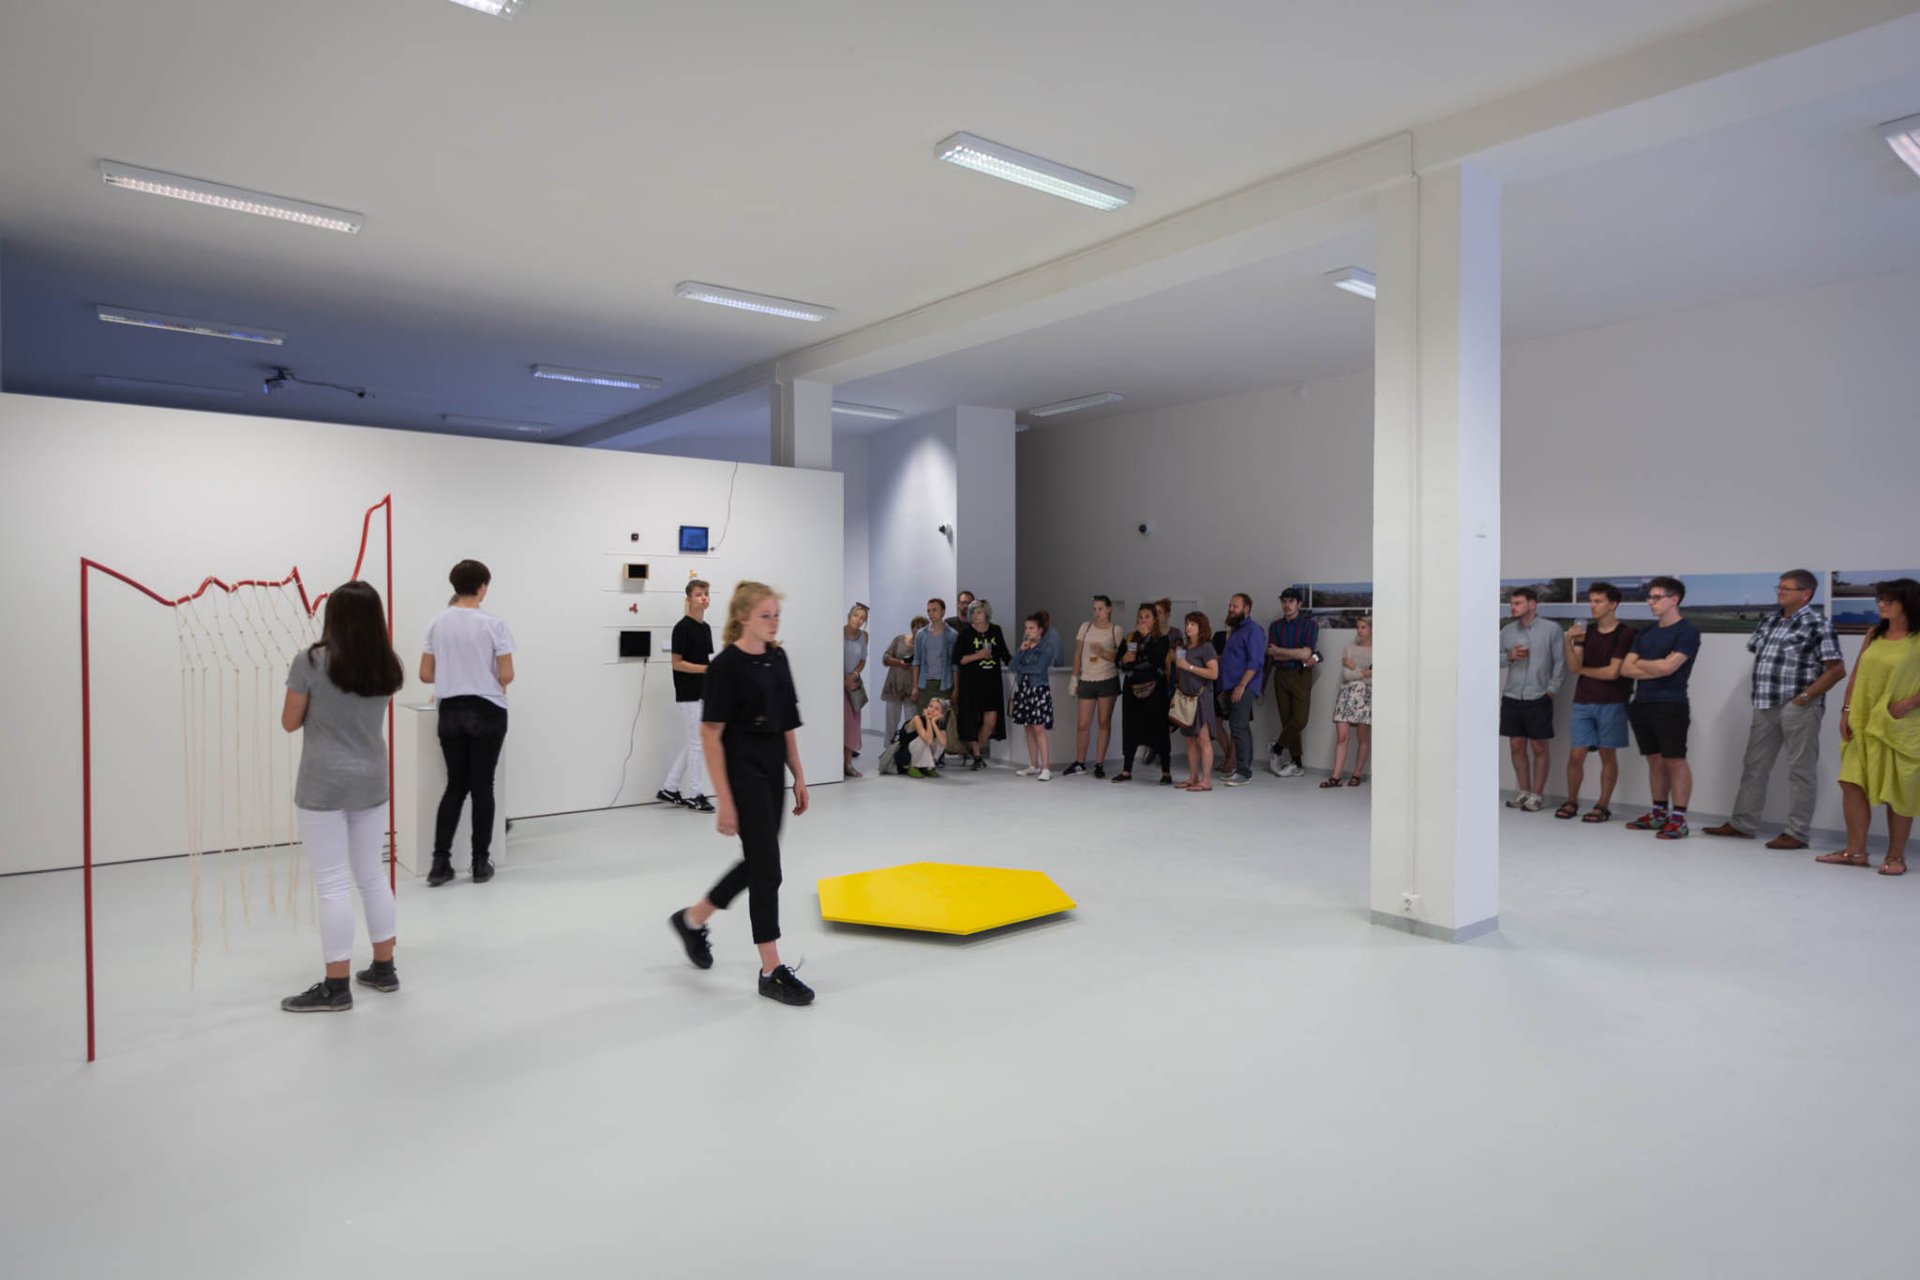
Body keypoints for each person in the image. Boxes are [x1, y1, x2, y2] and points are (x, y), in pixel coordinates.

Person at [667, 582, 814, 1007]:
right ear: (743, 617)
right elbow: (710, 734)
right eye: (766, 615)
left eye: (777, 615)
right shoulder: (725, 666)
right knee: (767, 869)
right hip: (742, 768)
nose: (774, 622)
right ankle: (771, 969)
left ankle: (692, 919)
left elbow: (786, 720)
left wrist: (799, 774)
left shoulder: (777, 657)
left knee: (759, 862)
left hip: (772, 767)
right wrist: (725, 800)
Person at [278, 581, 405, 1012]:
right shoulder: (386, 663)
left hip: (324, 782)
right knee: (372, 875)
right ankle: (384, 969)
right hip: (371, 779)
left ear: (333, 616)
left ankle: (336, 986)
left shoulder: (311, 660)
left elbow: (289, 722)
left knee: (332, 882)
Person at [1703, 570, 1846, 849]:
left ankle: (1797, 833)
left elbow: (1836, 670)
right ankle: (1743, 824)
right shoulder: (1770, 620)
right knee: (1754, 767)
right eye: (1779, 587)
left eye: (1786, 589)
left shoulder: (1818, 624)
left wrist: (1803, 698)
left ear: (1805, 594)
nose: (1780, 592)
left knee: (1801, 771)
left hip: (1799, 708)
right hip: (1765, 704)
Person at [420, 558, 515, 884]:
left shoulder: (437, 623)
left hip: (450, 711)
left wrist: (454, 674)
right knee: (482, 787)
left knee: (455, 786)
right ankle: (479, 863)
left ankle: (439, 863)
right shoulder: (494, 624)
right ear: (482, 587)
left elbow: (425, 673)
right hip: (487, 709)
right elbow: (507, 674)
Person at [1817, 579, 1920, 875]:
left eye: (1888, 600)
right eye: (1880, 599)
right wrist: (1846, 710)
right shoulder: (1874, 633)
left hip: (1900, 724)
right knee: (1851, 783)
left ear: (1908, 603)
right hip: (1863, 720)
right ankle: (1855, 851)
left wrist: (1908, 704)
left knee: (1898, 790)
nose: (1881, 605)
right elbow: (1857, 673)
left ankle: (1896, 856)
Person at [1622, 577, 1703, 840]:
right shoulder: (1645, 633)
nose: (1651, 602)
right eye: (1649, 597)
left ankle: (1678, 819)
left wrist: (1644, 664)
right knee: (1654, 760)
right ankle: (1658, 814)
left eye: (1657, 597)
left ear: (1674, 599)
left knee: (1674, 760)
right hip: (1642, 703)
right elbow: (1626, 668)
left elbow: (1669, 668)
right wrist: (1656, 665)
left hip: (1671, 704)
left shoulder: (1687, 632)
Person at [1558, 582, 1635, 822]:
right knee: (1576, 755)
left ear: (1613, 604)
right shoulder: (1586, 632)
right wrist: (1568, 642)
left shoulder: (1625, 633)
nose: (1593, 606)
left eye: (1598, 601)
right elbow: (1574, 666)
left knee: (1607, 755)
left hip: (1612, 702)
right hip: (1583, 700)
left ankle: (1603, 805)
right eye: (1591, 601)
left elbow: (1613, 672)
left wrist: (1583, 670)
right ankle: (1571, 800)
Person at [1500, 586, 1567, 813]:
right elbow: (1494, 658)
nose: (1513, 607)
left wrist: (1551, 690)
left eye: (1517, 603)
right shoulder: (1507, 631)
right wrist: (1509, 656)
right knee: (1516, 745)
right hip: (1512, 695)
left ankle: (1536, 796)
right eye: (1511, 603)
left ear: (1532, 604)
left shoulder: (1551, 629)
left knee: (1539, 746)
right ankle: (1523, 792)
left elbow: (1559, 662)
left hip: (1538, 695)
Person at [658, 579, 715, 812]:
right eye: (699, 594)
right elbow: (677, 663)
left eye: (706, 593)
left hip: (703, 692)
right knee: (697, 743)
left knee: (694, 742)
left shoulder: (706, 628)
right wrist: (705, 669)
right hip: (688, 693)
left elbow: (706, 661)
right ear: (689, 599)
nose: (704, 597)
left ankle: (669, 788)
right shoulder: (682, 628)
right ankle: (695, 794)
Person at [1114, 604, 1173, 785]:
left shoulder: (1161, 639)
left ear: (1154, 619)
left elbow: (1157, 658)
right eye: (1140, 616)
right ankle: (1126, 770)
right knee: (1130, 729)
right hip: (1132, 691)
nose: (1143, 620)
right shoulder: (1130, 638)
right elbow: (1118, 661)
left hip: (1155, 692)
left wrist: (1147, 636)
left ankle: (1166, 772)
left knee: (1159, 729)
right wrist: (1123, 659)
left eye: (1147, 616)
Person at [1066, 595, 1123, 777]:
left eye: (1100, 609)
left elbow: (1121, 658)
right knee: (1083, 724)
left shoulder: (1115, 630)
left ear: (1109, 609)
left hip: (1107, 679)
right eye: (1094, 609)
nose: (1097, 613)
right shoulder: (1086, 627)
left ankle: (1099, 764)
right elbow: (1077, 653)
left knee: (1104, 722)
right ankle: (1080, 762)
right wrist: (1074, 678)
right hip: (1087, 678)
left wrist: (1103, 652)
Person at [1265, 589, 1319, 777]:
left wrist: (1280, 650)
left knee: (1300, 720)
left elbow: (1306, 653)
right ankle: (1297, 762)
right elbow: (1272, 654)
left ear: (1299, 604)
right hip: (1280, 675)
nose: (1287, 605)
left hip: (1300, 674)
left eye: (1291, 601)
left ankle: (1277, 748)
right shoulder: (1275, 626)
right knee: (1287, 719)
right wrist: (1295, 652)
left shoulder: (1310, 625)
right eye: (1284, 601)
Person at [954, 599, 1011, 770]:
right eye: (972, 613)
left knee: (991, 721)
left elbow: (1005, 654)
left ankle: (973, 749)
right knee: (971, 719)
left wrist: (1022, 662)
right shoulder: (966, 633)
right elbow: (958, 659)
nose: (975, 616)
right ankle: (978, 755)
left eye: (978, 612)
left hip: (991, 682)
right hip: (971, 683)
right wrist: (978, 656)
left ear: (987, 614)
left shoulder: (995, 631)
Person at [1217, 593, 1266, 787]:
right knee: (1238, 727)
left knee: (1239, 727)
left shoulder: (1254, 630)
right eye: (1230, 605)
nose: (1231, 609)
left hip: (1243, 687)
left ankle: (1244, 772)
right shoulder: (1236, 631)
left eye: (1235, 606)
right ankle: (1240, 769)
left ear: (1247, 609)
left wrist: (1241, 686)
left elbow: (1255, 663)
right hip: (1231, 686)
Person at [1321, 615, 1373, 788]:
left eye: (1363, 627)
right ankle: (1335, 777)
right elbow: (1347, 675)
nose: (1359, 630)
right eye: (1358, 627)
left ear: (1371, 629)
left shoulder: (1377, 651)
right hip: (1346, 695)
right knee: (1342, 737)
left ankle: (1356, 774)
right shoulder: (1349, 649)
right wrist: (1364, 672)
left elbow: (1373, 679)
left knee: (1362, 738)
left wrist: (1354, 667)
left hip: (1365, 696)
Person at [1009, 611, 1059, 781]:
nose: (1028, 631)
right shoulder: (1025, 647)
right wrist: (1021, 652)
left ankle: (1046, 767)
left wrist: (1021, 668)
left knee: (1038, 728)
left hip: (1038, 689)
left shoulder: (1046, 647)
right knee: (1028, 727)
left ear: (1040, 630)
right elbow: (1012, 665)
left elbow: (1038, 669)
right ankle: (1033, 764)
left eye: (1031, 628)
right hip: (1024, 689)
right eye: (1026, 628)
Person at [1173, 612, 1219, 791]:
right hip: (1186, 698)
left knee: (1203, 738)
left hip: (1202, 699)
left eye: (1192, 624)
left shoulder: (1206, 647)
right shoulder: (1184, 648)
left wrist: (1189, 666)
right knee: (1190, 740)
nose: (1188, 627)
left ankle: (1206, 780)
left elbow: (1214, 673)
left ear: (1201, 627)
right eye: (1187, 623)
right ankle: (1193, 777)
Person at [879, 615, 926, 742]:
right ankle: (888, 748)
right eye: (915, 626)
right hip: (894, 685)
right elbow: (885, 658)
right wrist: (899, 662)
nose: (917, 630)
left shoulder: (924, 645)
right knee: (891, 722)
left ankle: (906, 749)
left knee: (911, 723)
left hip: (912, 688)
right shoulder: (899, 640)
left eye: (921, 628)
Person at [910, 597, 957, 710]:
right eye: (929, 611)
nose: (931, 613)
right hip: (925, 683)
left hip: (944, 683)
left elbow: (954, 664)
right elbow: (916, 662)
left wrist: (956, 688)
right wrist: (915, 687)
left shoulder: (952, 635)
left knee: (942, 716)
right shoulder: (921, 634)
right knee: (923, 715)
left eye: (934, 610)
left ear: (943, 611)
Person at [842, 603, 870, 778]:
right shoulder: (838, 632)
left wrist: (854, 674)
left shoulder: (864, 636)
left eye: (862, 618)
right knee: (840, 723)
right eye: (856, 616)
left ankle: (848, 763)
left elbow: (862, 660)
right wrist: (842, 679)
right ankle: (833, 764)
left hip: (853, 684)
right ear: (849, 616)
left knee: (852, 725)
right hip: (837, 684)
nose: (858, 620)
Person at [894, 696, 953, 777]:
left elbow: (943, 743)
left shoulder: (940, 723)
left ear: (941, 714)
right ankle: (913, 767)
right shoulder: (917, 719)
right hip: (905, 757)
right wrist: (928, 720)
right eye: (930, 706)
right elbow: (928, 740)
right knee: (922, 739)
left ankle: (927, 767)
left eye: (936, 709)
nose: (932, 710)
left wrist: (933, 722)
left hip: (919, 754)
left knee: (940, 738)